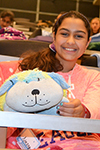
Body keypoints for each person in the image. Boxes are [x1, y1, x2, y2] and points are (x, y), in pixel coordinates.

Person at [7, 11, 100, 149]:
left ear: (87, 43)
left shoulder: (94, 76)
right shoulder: (29, 72)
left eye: (79, 36)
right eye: (64, 34)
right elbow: (9, 110)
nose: (70, 41)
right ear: (54, 36)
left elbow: (95, 108)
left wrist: (83, 112)